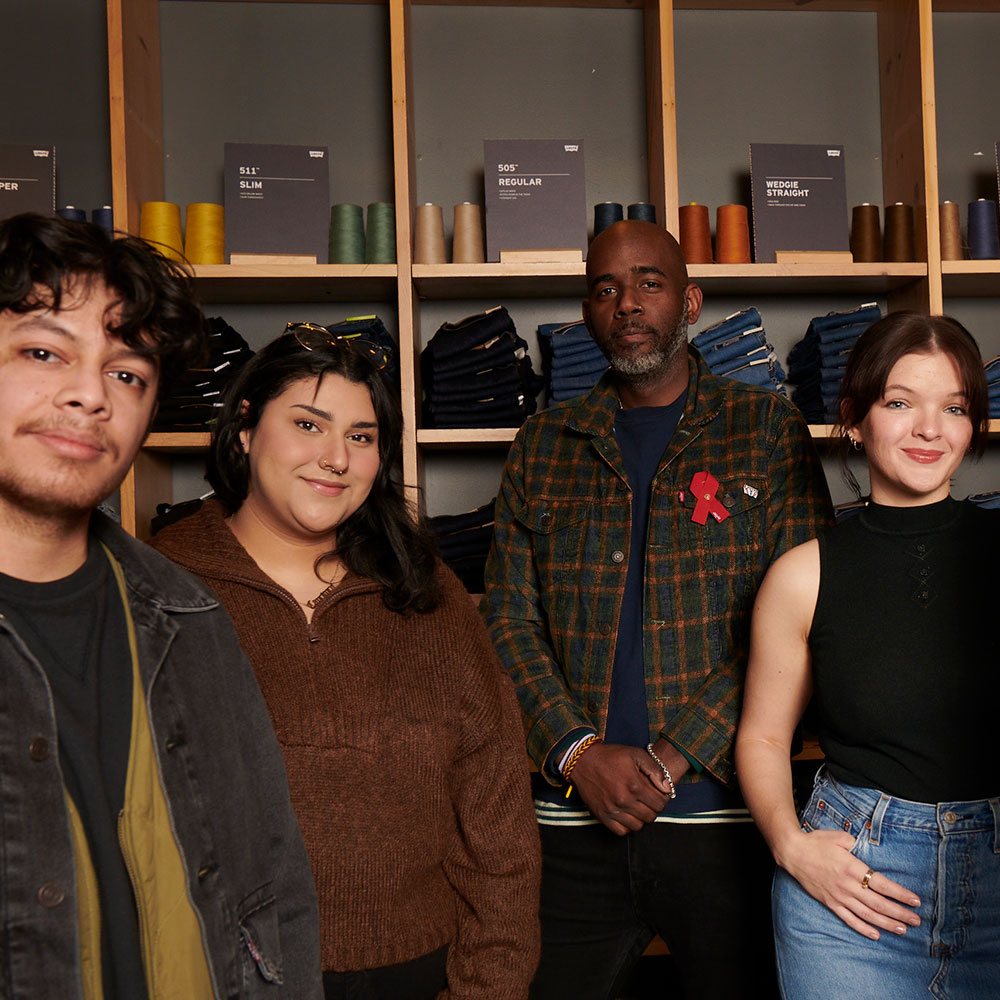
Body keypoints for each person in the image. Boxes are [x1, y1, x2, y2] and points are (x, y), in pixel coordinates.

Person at [482, 219, 833, 999]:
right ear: (588, 314)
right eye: (606, 289)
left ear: (691, 301)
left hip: (726, 820)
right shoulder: (543, 444)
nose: (627, 303)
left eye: (649, 282)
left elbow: (801, 622)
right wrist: (577, 753)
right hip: (570, 825)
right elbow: (505, 620)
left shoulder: (765, 432)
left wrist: (671, 758)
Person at [150, 324, 541, 1000]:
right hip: (218, 976)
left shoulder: (428, 591)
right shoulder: (161, 586)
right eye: (309, 424)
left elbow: (498, 814)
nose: (336, 458)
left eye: (360, 437)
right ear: (245, 429)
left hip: (422, 973)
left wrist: (488, 986)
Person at [0, 212, 322, 998]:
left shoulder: (192, 618)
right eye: (43, 352)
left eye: (127, 375)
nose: (90, 396)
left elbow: (274, 889)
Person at [736, 311, 999, 1000]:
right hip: (852, 888)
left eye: (954, 408)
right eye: (900, 403)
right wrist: (792, 848)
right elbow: (763, 737)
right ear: (855, 416)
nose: (929, 429)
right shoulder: (801, 575)